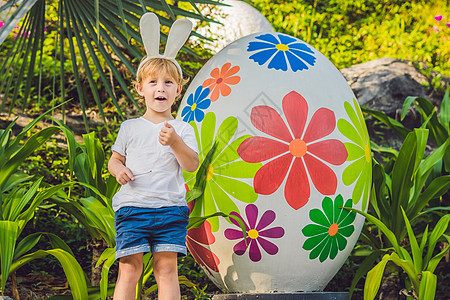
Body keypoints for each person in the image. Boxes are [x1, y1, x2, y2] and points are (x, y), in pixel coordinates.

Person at [108, 13, 198, 300]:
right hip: (133, 208)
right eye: (153, 82)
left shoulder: (182, 128)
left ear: (178, 90)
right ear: (140, 88)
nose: (161, 87)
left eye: (169, 83)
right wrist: (118, 169)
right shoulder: (130, 127)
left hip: (170, 208)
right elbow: (114, 160)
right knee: (129, 269)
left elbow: (191, 164)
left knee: (166, 269)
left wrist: (174, 143)